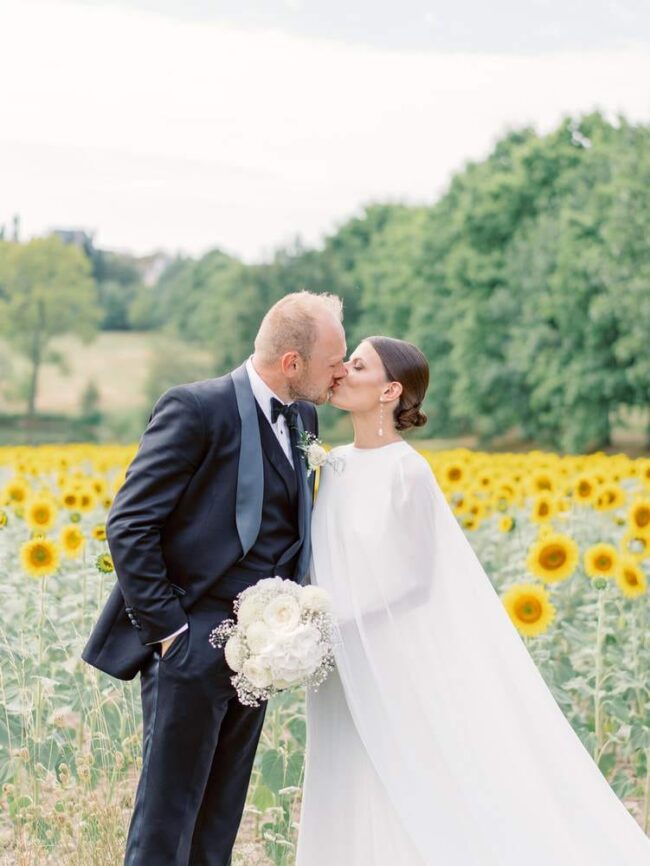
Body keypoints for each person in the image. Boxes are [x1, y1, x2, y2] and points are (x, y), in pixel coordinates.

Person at [295, 335, 650, 866]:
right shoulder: (332, 464)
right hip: (338, 656)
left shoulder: (406, 470)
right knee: (347, 766)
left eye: (359, 365)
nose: (344, 370)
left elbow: (415, 579)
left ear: (391, 389)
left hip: (389, 652)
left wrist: (335, 617)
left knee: (403, 773)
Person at [81, 291, 347, 866]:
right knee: (165, 821)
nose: (342, 372)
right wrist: (170, 633)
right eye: (334, 361)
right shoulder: (195, 408)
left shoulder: (304, 416)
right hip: (188, 642)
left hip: (263, 651)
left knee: (220, 817)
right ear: (292, 363)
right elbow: (128, 523)